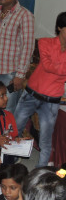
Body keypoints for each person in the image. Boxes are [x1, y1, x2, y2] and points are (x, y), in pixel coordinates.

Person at [14, 11, 66, 167]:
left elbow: (53, 67)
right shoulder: (45, 42)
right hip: (31, 95)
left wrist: (58, 68)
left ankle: (39, 175)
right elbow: (48, 66)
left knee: (46, 140)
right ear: (59, 27)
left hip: (52, 101)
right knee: (15, 129)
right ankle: (8, 163)